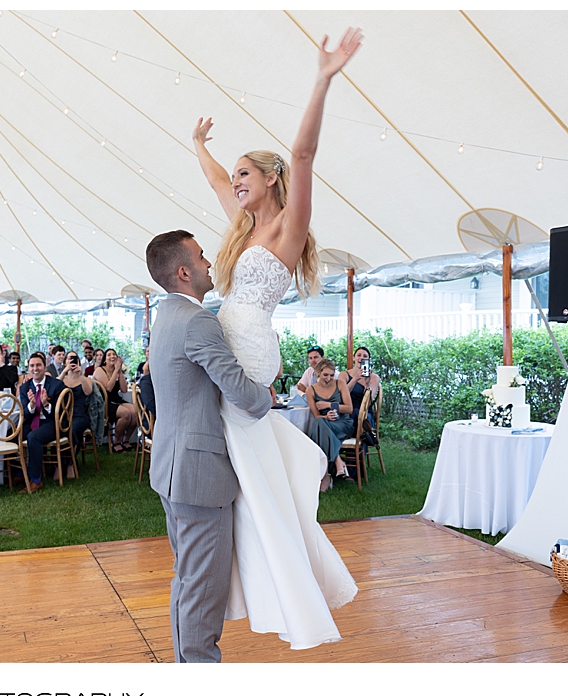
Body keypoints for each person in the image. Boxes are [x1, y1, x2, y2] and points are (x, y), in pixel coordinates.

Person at [190, 27, 362, 649]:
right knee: (245, 468)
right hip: (226, 340)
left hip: (251, 347)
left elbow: (305, 154)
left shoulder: (289, 229)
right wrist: (198, 147)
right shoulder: (239, 226)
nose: (232, 182)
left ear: (268, 177)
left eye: (243, 173)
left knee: (254, 472)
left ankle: (278, 579)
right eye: (232, 176)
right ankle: (252, 570)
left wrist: (322, 77)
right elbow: (214, 182)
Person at [145, 230, 272, 663]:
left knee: (188, 581)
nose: (210, 264)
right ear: (184, 272)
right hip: (198, 475)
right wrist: (268, 394)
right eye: (202, 257)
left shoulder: (165, 316)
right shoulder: (197, 320)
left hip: (172, 467)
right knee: (202, 591)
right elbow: (239, 387)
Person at [19, 352, 68, 491]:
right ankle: (18, 473)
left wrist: (46, 404)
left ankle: (35, 480)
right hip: (32, 421)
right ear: (28, 368)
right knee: (11, 433)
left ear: (45, 366)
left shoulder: (57, 385)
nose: (35, 368)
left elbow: (62, 413)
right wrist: (32, 406)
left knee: (33, 437)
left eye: (38, 365)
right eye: (32, 366)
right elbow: (25, 414)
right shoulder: (25, 387)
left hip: (52, 422)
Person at [306, 358, 355, 488]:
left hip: (343, 423)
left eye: (331, 375)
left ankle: (326, 474)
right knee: (319, 422)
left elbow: (349, 408)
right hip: (326, 423)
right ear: (318, 373)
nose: (328, 378)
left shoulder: (340, 384)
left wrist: (329, 405)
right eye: (325, 375)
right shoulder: (310, 390)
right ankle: (337, 460)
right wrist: (326, 416)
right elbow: (317, 415)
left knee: (318, 427)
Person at [93, 348, 139, 453]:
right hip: (104, 402)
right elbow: (108, 388)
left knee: (136, 412)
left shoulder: (117, 370)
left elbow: (123, 389)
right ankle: (116, 441)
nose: (112, 356)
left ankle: (126, 439)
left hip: (116, 399)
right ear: (105, 359)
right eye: (109, 355)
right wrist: (115, 372)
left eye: (114, 354)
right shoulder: (100, 370)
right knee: (125, 413)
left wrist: (119, 372)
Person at [55, 352, 94, 467]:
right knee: (59, 429)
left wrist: (80, 374)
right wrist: (64, 371)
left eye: (74, 359)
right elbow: (53, 388)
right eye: (69, 359)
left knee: (73, 430)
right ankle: (62, 463)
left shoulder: (85, 378)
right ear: (65, 361)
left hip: (79, 415)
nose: (71, 361)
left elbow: (88, 392)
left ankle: (70, 463)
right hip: (63, 415)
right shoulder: (62, 378)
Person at [339, 345, 380, 429]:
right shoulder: (344, 375)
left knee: (362, 418)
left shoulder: (374, 377)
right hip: (346, 411)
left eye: (365, 356)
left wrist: (367, 384)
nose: (361, 358)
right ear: (354, 358)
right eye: (359, 355)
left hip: (363, 413)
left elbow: (368, 402)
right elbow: (340, 395)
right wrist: (355, 379)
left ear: (368, 360)